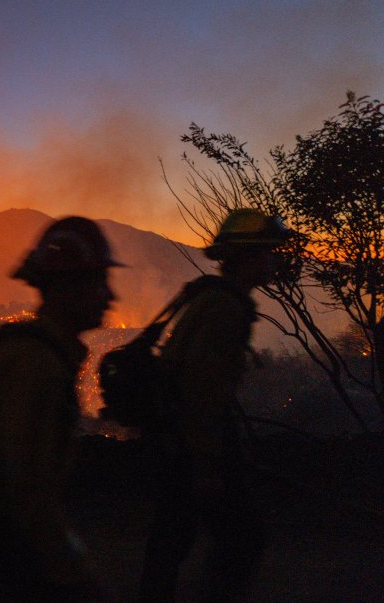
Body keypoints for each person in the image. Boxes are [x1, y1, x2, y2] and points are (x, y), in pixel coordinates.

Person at [0, 217, 120, 601]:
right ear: (67, 288)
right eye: (98, 282)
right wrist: (72, 577)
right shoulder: (35, 363)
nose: (109, 297)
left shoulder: (35, 352)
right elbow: (26, 486)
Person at [138, 208, 292, 602]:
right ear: (249, 257)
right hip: (190, 444)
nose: (274, 261)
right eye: (268, 253)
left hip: (175, 439)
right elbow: (203, 391)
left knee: (172, 540)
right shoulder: (225, 308)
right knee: (240, 539)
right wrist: (207, 464)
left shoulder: (213, 298)